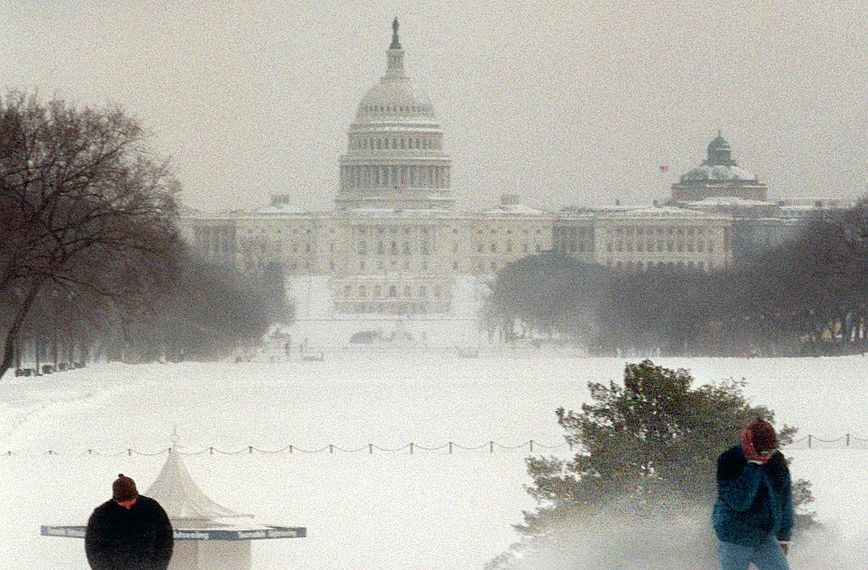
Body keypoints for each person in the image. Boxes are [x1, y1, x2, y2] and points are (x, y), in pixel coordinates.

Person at [712, 419, 794, 570]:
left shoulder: (777, 462)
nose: (768, 456)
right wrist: (753, 464)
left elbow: (785, 499)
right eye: (764, 452)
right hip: (733, 537)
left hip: (764, 537)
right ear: (749, 446)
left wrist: (784, 537)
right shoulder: (729, 461)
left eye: (772, 450)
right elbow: (740, 501)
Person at [85, 473, 174, 570]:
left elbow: (165, 540)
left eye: (130, 500)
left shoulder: (152, 508)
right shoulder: (101, 515)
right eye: (122, 502)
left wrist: (158, 567)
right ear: (115, 499)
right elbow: (94, 548)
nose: (127, 505)